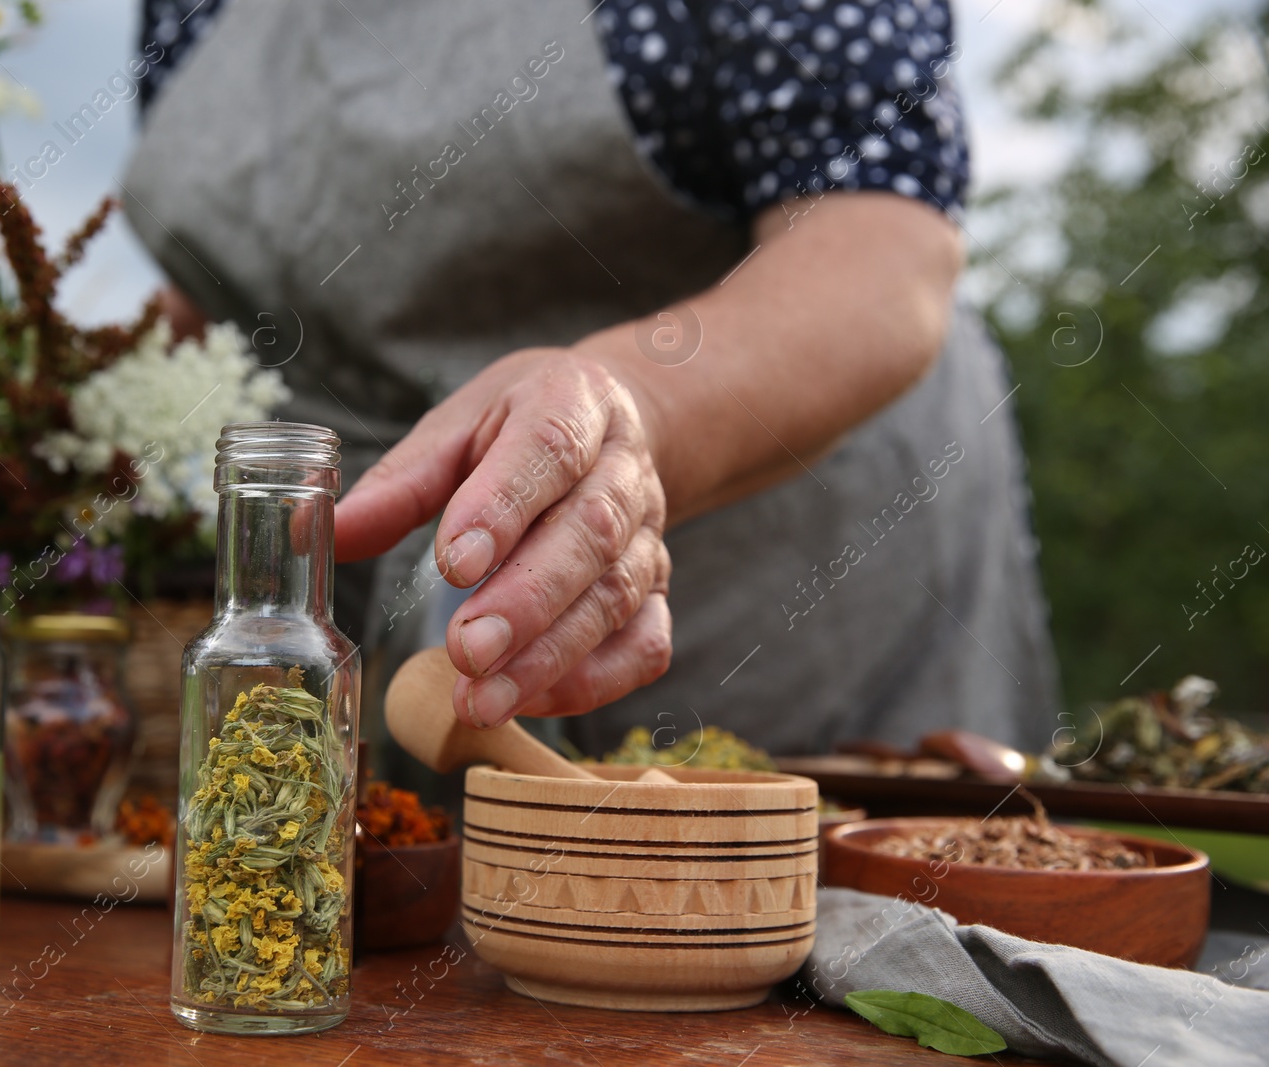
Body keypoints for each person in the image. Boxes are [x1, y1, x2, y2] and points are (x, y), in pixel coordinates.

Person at [123, 0, 1059, 756]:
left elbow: (876, 257)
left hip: (773, 598)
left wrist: (625, 408)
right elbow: (224, 284)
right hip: (382, 623)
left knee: (785, 938)